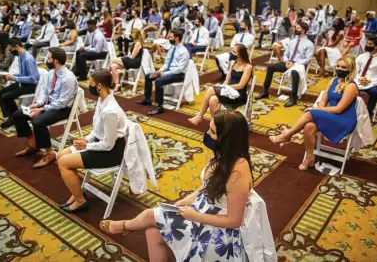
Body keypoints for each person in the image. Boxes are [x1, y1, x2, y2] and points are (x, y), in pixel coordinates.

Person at [100, 110, 260, 262]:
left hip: (220, 232)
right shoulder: (224, 155)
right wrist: (188, 199)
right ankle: (125, 226)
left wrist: (195, 216)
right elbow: (209, 186)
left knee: (150, 216)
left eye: (212, 131)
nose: (207, 134)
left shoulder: (238, 171)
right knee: (153, 232)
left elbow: (234, 221)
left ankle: (123, 226)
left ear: (226, 138)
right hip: (205, 211)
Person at [57, 69, 127, 213]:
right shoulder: (102, 100)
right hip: (100, 144)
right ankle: (78, 193)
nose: (89, 86)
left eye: (91, 84)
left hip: (111, 153)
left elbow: (108, 145)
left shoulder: (110, 111)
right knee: (60, 155)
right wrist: (86, 139)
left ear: (99, 86)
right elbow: (97, 130)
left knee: (64, 163)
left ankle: (81, 201)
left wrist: (87, 145)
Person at [270, 57, 359, 170]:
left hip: (343, 119)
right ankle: (309, 156)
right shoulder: (333, 81)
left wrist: (319, 110)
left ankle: (287, 135)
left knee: (310, 113)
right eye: (338, 66)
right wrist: (321, 107)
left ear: (350, 69)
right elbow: (323, 99)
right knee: (309, 126)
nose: (339, 69)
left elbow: (339, 109)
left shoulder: (351, 86)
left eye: (343, 67)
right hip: (331, 115)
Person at [12, 48, 78, 168]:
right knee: (18, 115)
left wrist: (42, 110)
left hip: (62, 109)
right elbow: (46, 93)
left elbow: (62, 103)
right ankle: (32, 145)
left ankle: (49, 154)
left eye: (48, 58)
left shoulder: (68, 78)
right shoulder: (52, 73)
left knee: (38, 122)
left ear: (56, 61)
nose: (46, 60)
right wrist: (38, 104)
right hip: (50, 104)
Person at [189, 44, 253, 125]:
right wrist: (222, 86)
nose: (231, 53)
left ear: (239, 54)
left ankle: (200, 116)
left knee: (211, 89)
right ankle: (217, 125)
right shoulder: (233, 63)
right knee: (212, 100)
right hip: (228, 91)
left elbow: (241, 85)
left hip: (239, 95)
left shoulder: (248, 67)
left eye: (234, 52)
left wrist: (224, 87)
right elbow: (227, 80)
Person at [255, 22, 315, 107]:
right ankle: (265, 91)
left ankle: (293, 98)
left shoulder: (309, 44)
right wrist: (287, 61)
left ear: (303, 31)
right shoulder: (292, 41)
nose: (294, 30)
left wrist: (294, 63)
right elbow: (286, 54)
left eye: (297, 28)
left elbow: (308, 59)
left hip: (299, 65)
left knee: (295, 72)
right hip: (288, 62)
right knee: (271, 67)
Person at [137, 30, 189, 115]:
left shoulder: (184, 51)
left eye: (171, 37)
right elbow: (167, 64)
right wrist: (160, 71)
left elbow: (180, 69)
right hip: (168, 71)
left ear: (177, 38)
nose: (169, 38)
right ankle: (147, 99)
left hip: (178, 75)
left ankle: (159, 106)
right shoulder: (172, 48)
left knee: (158, 81)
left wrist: (165, 73)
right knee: (148, 76)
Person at [0, 38, 40, 129]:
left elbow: (33, 79)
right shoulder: (20, 56)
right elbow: (22, 74)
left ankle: (16, 117)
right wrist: (12, 76)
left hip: (30, 86)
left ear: (16, 47)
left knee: (6, 96)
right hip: (21, 82)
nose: (11, 52)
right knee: (0, 93)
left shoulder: (28, 59)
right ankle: (12, 116)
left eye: (11, 50)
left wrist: (14, 78)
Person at [355, 37, 377, 116]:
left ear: (376, 46)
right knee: (347, 88)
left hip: (372, 83)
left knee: (374, 92)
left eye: (370, 44)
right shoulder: (361, 57)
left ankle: (368, 113)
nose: (367, 45)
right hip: (358, 80)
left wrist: (369, 81)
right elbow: (355, 71)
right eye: (367, 43)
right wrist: (359, 79)